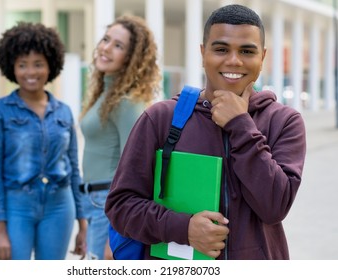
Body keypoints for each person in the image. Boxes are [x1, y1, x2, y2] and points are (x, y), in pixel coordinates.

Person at [105, 4, 306, 260]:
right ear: (202, 53)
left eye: (247, 51)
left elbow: (275, 207)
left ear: (262, 57)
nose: (233, 60)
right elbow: (120, 206)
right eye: (221, 49)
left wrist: (240, 126)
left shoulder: (285, 122)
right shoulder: (160, 118)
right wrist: (183, 228)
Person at [0, 22, 86, 260]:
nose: (31, 72)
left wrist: (83, 221)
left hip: (60, 207)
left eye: (38, 64)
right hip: (16, 207)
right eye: (22, 65)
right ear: (11, 67)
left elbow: (73, 170)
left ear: (51, 65)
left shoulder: (64, 112)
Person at [71, 14, 161, 260]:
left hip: (108, 205)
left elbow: (136, 168)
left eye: (118, 46)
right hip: (94, 200)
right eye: (106, 39)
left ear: (132, 58)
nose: (106, 48)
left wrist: (118, 234)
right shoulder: (107, 92)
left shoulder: (128, 102)